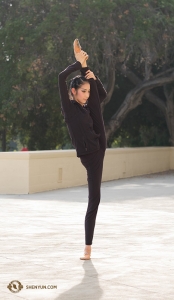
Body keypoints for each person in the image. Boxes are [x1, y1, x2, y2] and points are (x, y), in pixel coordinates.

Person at [58, 40, 107, 260]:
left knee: (97, 102)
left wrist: (89, 75)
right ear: (73, 91)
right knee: (94, 199)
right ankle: (88, 246)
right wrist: (77, 65)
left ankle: (86, 63)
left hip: (99, 143)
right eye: (83, 91)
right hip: (90, 155)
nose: (86, 94)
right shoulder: (69, 111)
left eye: (88, 91)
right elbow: (61, 77)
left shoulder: (88, 108)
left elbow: (101, 95)